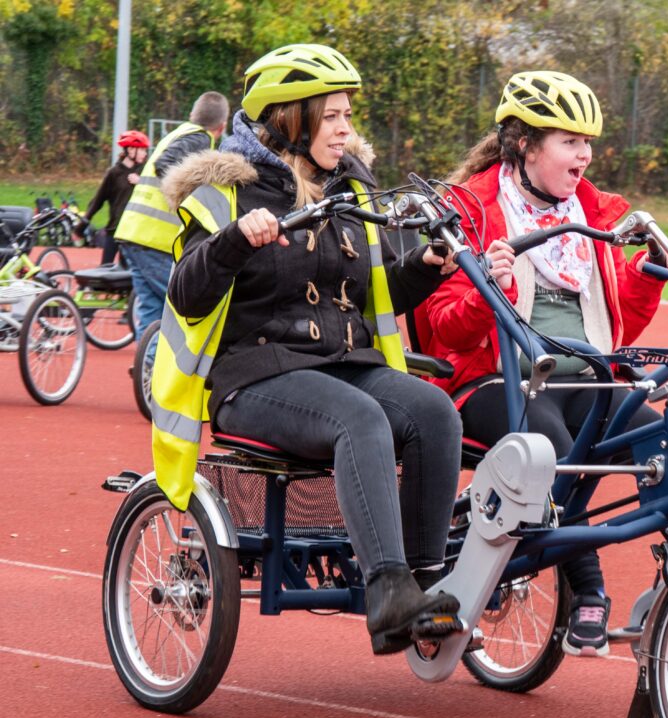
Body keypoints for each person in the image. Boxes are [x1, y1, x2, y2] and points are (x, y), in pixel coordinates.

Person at [153, 43, 463, 655]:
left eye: (348, 115)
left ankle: (425, 583)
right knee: (362, 420)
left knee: (434, 413)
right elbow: (186, 295)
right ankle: (388, 590)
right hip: (256, 378)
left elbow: (370, 295)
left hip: (344, 365)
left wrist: (424, 268)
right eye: (331, 116)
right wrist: (234, 242)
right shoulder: (225, 192)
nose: (347, 129)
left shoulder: (349, 190)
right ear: (288, 119)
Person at [418, 71, 667, 657]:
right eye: (569, 141)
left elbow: (622, 319)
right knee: (552, 443)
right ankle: (587, 591)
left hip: (586, 378)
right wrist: (487, 290)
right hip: (490, 379)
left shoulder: (599, 214)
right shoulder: (469, 209)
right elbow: (441, 326)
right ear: (525, 145)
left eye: (588, 143)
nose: (585, 155)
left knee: (658, 432)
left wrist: (645, 273)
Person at [114, 91, 230, 336]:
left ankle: (147, 367)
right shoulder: (198, 139)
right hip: (153, 240)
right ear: (222, 126)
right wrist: (189, 196)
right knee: (180, 306)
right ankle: (155, 368)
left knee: (152, 311)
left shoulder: (180, 133)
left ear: (191, 114)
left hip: (134, 233)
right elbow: (165, 164)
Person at [80, 130, 150, 265]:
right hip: (114, 230)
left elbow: (154, 193)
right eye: (142, 150)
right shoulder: (114, 173)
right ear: (130, 150)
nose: (145, 154)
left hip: (132, 234)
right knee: (105, 269)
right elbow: (97, 201)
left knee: (127, 274)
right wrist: (81, 226)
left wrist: (141, 182)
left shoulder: (145, 172)